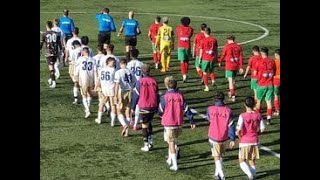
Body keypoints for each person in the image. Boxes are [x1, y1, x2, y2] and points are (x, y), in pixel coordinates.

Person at [158, 79, 195, 171]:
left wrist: (161, 116)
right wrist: (191, 121)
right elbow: (187, 109)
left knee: (171, 142)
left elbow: (160, 110)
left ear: (167, 86)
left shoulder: (165, 97)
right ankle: (170, 158)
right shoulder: (180, 96)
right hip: (178, 122)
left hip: (168, 122)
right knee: (172, 140)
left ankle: (175, 164)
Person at [206, 92, 236, 180]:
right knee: (221, 155)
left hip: (213, 136)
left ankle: (221, 174)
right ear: (223, 99)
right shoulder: (228, 110)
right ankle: (217, 173)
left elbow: (209, 118)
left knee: (216, 156)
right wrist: (232, 139)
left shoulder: (210, 109)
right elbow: (231, 125)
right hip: (224, 136)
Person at [236, 96, 265, 180]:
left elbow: (238, 130)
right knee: (251, 160)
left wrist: (239, 137)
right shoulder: (258, 115)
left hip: (244, 141)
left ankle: (250, 174)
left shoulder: (242, 116)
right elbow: (262, 128)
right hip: (255, 140)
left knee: (241, 160)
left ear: (245, 105)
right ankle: (254, 175)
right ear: (254, 104)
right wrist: (256, 133)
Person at [132, 64, 159, 151]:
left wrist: (132, 107)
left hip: (144, 106)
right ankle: (151, 141)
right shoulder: (154, 81)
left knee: (144, 125)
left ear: (142, 72)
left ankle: (146, 144)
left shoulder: (140, 82)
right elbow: (157, 94)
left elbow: (136, 95)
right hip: (153, 105)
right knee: (149, 122)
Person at [218, 35, 244, 102]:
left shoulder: (226, 46)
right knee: (233, 79)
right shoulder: (238, 46)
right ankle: (231, 92)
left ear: (228, 40)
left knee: (230, 80)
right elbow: (241, 57)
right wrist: (241, 67)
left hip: (229, 65)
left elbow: (223, 55)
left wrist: (220, 61)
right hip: (236, 65)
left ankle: (232, 95)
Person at [254, 47, 276, 125]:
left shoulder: (259, 62)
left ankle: (257, 118)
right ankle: (269, 118)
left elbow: (255, 73)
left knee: (259, 101)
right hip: (270, 84)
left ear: (262, 53)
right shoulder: (272, 61)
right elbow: (274, 71)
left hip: (261, 84)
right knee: (268, 101)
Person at [74, 47, 96, 118]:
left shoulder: (80, 59)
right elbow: (95, 70)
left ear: (83, 52)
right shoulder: (93, 60)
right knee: (89, 94)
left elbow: (76, 69)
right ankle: (88, 108)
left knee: (84, 94)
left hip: (83, 78)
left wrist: (76, 78)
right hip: (91, 77)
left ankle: (87, 110)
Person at [95, 57, 117, 125]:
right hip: (111, 88)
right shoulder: (113, 70)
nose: (114, 63)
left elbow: (98, 79)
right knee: (112, 105)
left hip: (104, 89)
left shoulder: (102, 69)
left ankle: (99, 118)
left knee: (102, 104)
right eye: (112, 62)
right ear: (108, 62)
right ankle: (112, 121)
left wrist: (97, 86)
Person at [114, 58, 133, 137]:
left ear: (120, 64)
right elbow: (134, 82)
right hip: (130, 92)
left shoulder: (118, 72)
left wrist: (115, 95)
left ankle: (124, 125)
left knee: (119, 111)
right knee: (128, 112)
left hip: (121, 92)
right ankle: (127, 131)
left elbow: (117, 84)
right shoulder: (130, 72)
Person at [40, 21, 61, 88]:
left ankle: (54, 82)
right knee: (53, 67)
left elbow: (41, 43)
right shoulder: (57, 34)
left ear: (46, 26)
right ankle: (51, 79)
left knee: (51, 68)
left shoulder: (44, 34)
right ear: (52, 26)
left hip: (49, 53)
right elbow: (59, 44)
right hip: (55, 52)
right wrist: (60, 51)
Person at [127, 49, 144, 130]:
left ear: (130, 55)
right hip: (139, 86)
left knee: (130, 103)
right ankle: (136, 122)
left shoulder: (128, 64)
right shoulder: (141, 64)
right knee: (138, 104)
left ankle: (131, 120)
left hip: (130, 86)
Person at [199, 27, 218, 92]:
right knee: (211, 70)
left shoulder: (203, 40)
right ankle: (213, 80)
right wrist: (216, 57)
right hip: (212, 58)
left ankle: (206, 87)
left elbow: (201, 51)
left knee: (204, 72)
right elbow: (216, 50)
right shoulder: (214, 40)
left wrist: (199, 59)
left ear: (204, 32)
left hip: (205, 58)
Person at [176, 17, 194, 82]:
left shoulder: (178, 28)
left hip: (180, 46)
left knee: (182, 61)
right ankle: (186, 73)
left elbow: (178, 35)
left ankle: (184, 75)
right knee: (186, 61)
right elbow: (190, 35)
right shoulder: (191, 29)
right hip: (187, 46)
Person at [69, 40, 82, 104]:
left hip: (77, 68)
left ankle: (76, 98)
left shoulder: (74, 51)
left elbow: (72, 60)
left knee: (76, 83)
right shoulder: (87, 49)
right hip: (85, 69)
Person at [273, 49, 280, 116]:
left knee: (276, 96)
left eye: (275, 55)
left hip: (276, 80)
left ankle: (277, 110)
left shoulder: (275, 62)